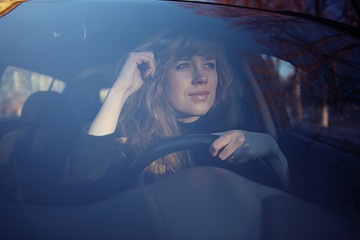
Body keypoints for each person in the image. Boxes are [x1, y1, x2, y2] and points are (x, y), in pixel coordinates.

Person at [65, 27, 291, 196]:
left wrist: (273, 151)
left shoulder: (243, 139)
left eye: (209, 65)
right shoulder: (128, 144)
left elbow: (287, 210)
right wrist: (120, 90)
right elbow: (81, 192)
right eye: (183, 65)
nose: (202, 77)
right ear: (157, 79)